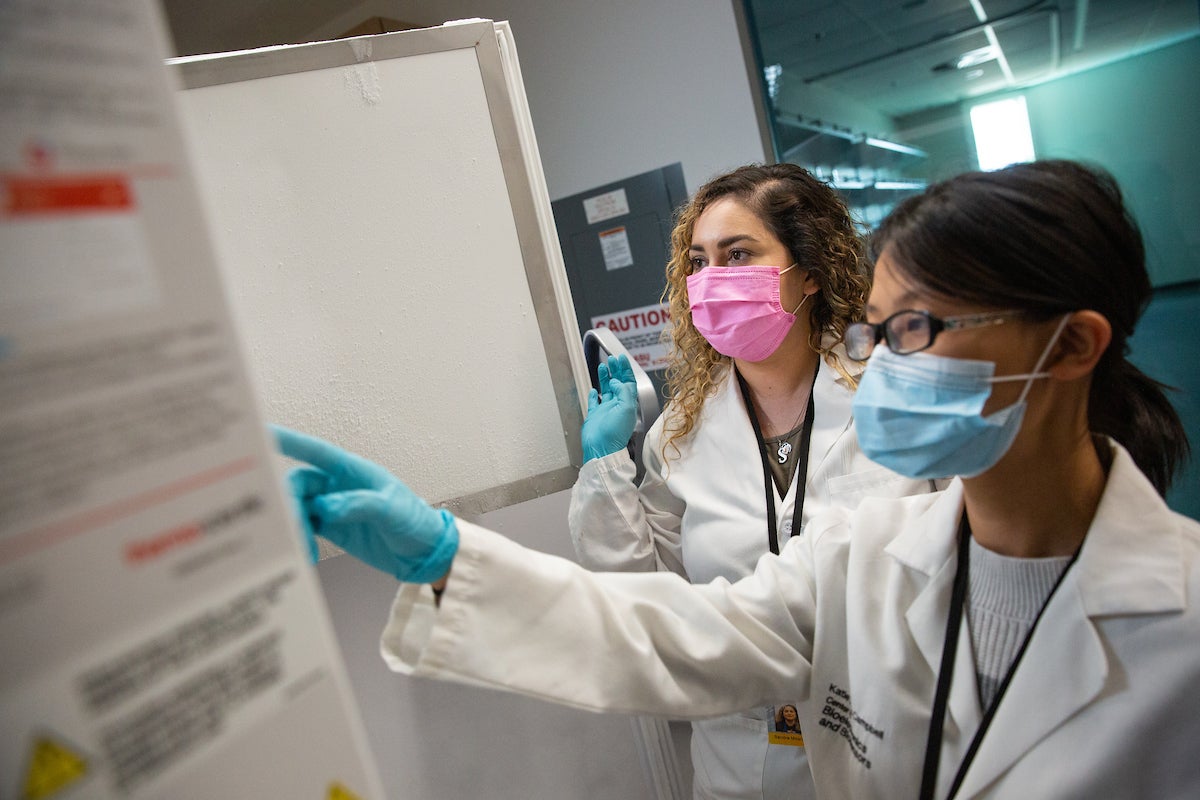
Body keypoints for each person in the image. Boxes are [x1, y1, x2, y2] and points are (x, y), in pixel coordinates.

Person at [275, 160, 1198, 798]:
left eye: (919, 330)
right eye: (879, 331)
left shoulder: (1183, 620)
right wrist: (442, 556)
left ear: (1072, 344)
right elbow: (676, 630)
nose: (884, 364)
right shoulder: (869, 555)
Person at [572, 163, 940, 800]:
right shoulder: (679, 436)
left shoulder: (898, 396)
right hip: (739, 764)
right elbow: (644, 604)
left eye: (737, 254)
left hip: (884, 743)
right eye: (698, 262)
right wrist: (606, 470)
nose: (710, 281)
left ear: (811, 271)